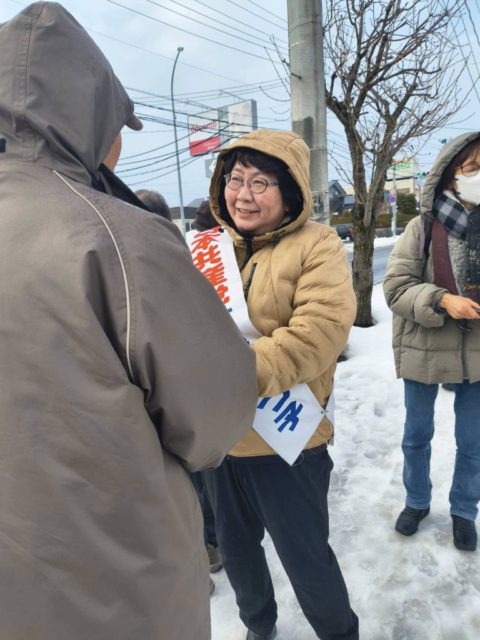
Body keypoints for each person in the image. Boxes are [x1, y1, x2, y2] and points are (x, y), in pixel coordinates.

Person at [0, 4, 258, 640]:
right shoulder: (118, 239)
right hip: (110, 587)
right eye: (117, 125)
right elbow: (216, 418)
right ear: (87, 118)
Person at [189, 129, 359, 640]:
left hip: (290, 441)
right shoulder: (207, 249)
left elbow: (318, 333)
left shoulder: (318, 245)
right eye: (235, 179)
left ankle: (339, 632)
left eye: (260, 182)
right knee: (238, 553)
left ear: (290, 192)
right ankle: (258, 626)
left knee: (307, 558)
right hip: (222, 442)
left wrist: (226, 373)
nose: (243, 194)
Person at [383, 132, 480, 552]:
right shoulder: (422, 227)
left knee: (474, 442)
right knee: (416, 435)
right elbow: (396, 287)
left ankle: (464, 510)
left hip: (476, 352)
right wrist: (441, 300)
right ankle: (417, 501)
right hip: (423, 344)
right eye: (473, 168)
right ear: (449, 175)